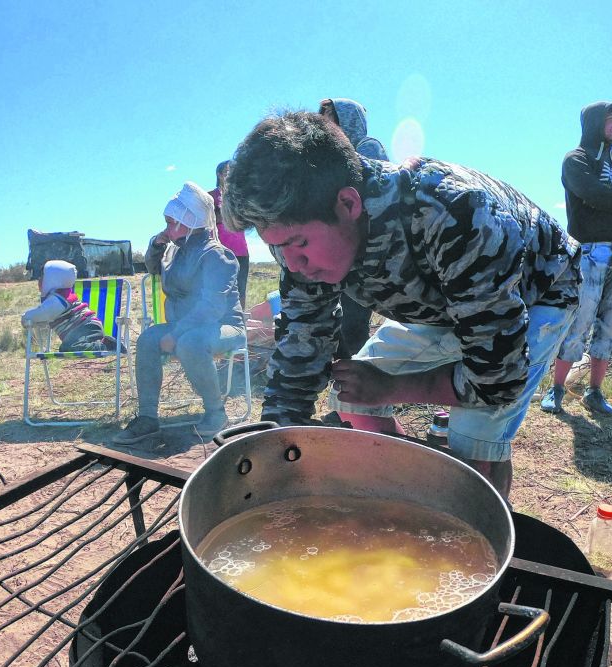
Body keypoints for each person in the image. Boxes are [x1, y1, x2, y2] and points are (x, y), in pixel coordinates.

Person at [221, 111, 580, 499]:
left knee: (475, 444)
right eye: (277, 247)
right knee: (350, 399)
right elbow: (299, 356)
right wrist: (273, 458)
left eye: (299, 244)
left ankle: (477, 512)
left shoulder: (454, 212)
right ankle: (409, 494)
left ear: (348, 203)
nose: (293, 264)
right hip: (444, 303)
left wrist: (392, 387)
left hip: (538, 289)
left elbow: (497, 379)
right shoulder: (299, 239)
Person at [541, 101, 612, 416]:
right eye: (610, 118)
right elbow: (594, 195)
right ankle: (556, 389)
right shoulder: (576, 159)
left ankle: (594, 392)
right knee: (579, 321)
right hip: (591, 250)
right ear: (594, 122)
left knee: (609, 324)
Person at [112, 182, 245, 443]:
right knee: (147, 339)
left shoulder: (217, 255)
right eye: (167, 223)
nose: (167, 229)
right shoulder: (175, 252)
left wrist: (177, 333)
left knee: (190, 342)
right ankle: (147, 418)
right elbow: (153, 268)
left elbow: (212, 307)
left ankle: (216, 413)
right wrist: (156, 245)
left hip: (224, 326)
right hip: (187, 326)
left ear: (192, 222)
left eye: (172, 223)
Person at [318, 97, 390, 360]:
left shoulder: (367, 147)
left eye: (330, 119)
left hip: (365, 253)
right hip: (339, 252)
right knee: (332, 321)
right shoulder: (330, 158)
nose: (324, 125)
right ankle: (344, 375)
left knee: (353, 323)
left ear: (346, 121)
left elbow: (370, 196)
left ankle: (364, 374)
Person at [21, 259, 116, 352]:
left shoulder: (58, 299)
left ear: (52, 279)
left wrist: (26, 317)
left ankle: (107, 346)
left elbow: (43, 313)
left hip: (87, 327)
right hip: (83, 330)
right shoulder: (58, 296)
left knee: (68, 347)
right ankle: (103, 344)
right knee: (67, 346)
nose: (39, 281)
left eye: (42, 277)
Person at [211, 160, 250, 306]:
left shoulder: (241, 197)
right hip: (220, 251)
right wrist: (225, 215)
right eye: (228, 172)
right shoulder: (210, 197)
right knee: (220, 290)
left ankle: (240, 318)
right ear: (219, 174)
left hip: (241, 251)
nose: (231, 175)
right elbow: (207, 220)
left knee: (241, 290)